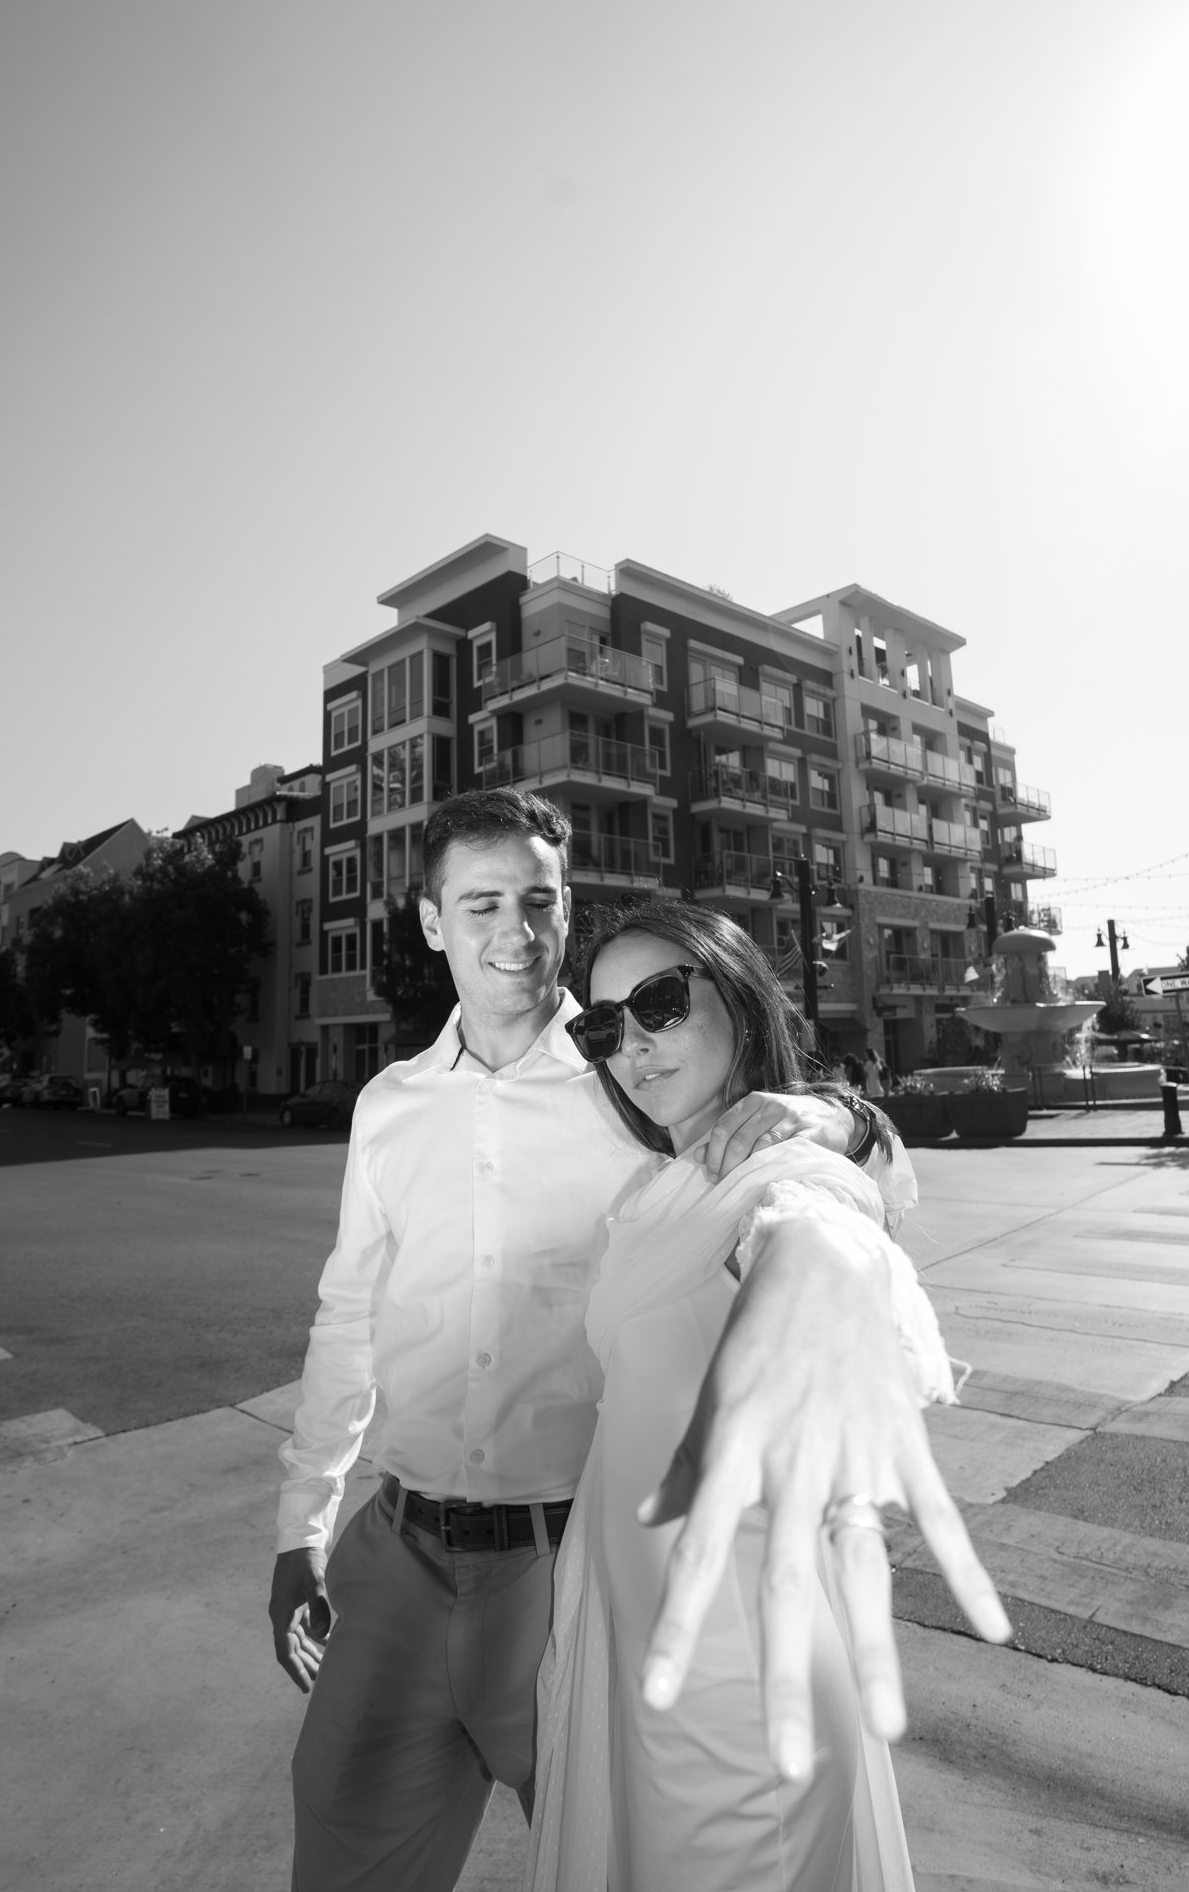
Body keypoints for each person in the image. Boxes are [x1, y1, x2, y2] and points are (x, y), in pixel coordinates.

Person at [269, 789, 1006, 1891]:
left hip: (565, 1563)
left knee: (618, 1844)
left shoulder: (634, 1084)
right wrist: (302, 1522)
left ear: (567, 908)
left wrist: (842, 1123)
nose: (515, 931)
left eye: (539, 899)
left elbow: (803, 1196)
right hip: (398, 1549)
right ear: (432, 923)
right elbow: (347, 1313)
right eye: (480, 904)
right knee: (341, 1849)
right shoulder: (393, 1104)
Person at [526, 900, 991, 1891]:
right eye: (603, 1025)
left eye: (658, 1002)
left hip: (740, 1685)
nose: (633, 1044)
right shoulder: (658, 1185)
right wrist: (861, 1118)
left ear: (736, 997)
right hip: (649, 1654)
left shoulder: (780, 1176)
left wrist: (841, 1152)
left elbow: (819, 1225)